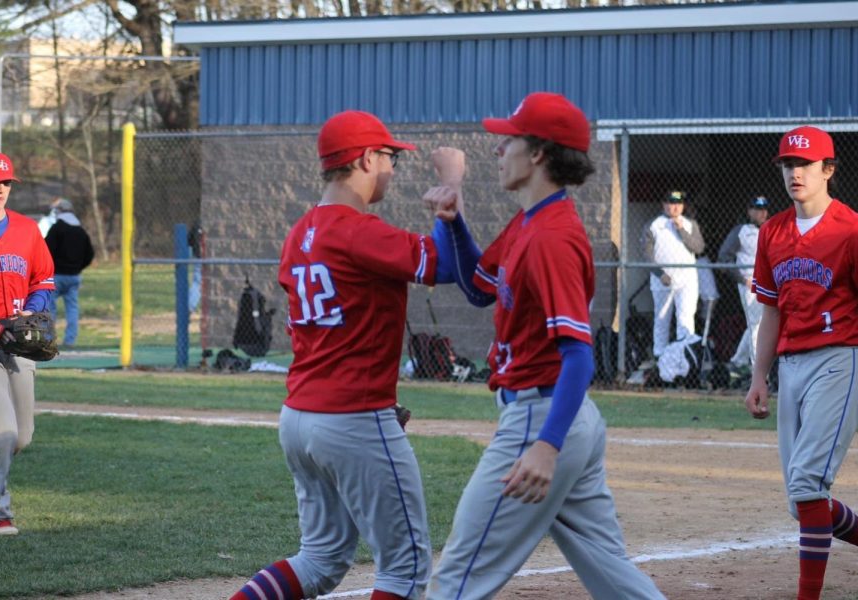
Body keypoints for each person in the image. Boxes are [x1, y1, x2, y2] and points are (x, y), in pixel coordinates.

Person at [424, 92, 665, 599]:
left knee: (457, 580)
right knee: (615, 580)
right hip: (558, 416)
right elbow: (476, 288)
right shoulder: (531, 220)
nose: (497, 150)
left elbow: (579, 355)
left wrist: (546, 445)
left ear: (537, 153)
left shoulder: (552, 236)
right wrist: (454, 218)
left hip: (543, 415)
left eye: (507, 140)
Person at [229, 110, 445, 600]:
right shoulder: (359, 229)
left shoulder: (299, 233)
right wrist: (451, 189)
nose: (392, 167)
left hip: (300, 414)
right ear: (366, 158)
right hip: (352, 416)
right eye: (389, 157)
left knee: (320, 559)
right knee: (405, 570)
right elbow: (442, 263)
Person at [745, 125, 858, 600]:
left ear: (828, 170)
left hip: (840, 359)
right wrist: (758, 376)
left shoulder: (855, 231)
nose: (795, 173)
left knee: (808, 482)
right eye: (789, 164)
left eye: (806, 164)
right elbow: (770, 311)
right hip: (790, 365)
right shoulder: (773, 232)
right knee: (801, 502)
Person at [0, 152, 55, 535]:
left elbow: (44, 280)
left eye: (4, 184)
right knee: (4, 432)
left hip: (19, 344)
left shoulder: (27, 230)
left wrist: (32, 312)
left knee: (22, 436)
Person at [643, 190, 705, 359]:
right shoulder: (654, 225)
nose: (675, 207)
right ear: (664, 205)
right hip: (662, 280)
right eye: (671, 203)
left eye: (678, 203)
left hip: (686, 280)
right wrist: (659, 273)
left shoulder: (690, 224)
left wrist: (682, 230)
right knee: (662, 318)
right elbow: (647, 255)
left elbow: (699, 248)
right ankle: (660, 356)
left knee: (685, 318)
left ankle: (685, 356)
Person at [719, 196, 770, 373]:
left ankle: (738, 360)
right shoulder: (741, 231)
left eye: (764, 209)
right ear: (749, 212)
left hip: (770, 283)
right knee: (757, 325)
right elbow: (724, 258)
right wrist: (743, 279)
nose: (761, 212)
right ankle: (759, 370)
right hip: (750, 283)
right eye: (757, 209)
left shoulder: (772, 229)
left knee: (760, 324)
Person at [45, 197, 95, 348]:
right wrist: (78, 267)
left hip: (57, 275)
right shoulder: (80, 230)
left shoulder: (57, 228)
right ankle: (70, 340)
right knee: (72, 309)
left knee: (50, 308)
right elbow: (90, 254)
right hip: (74, 276)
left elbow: (45, 250)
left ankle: (49, 339)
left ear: (58, 211)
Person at [187, 220, 203, 313]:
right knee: (198, 282)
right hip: (201, 257)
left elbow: (189, 241)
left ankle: (190, 305)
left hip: (199, 257)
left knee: (197, 283)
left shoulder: (197, 223)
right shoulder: (198, 224)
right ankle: (190, 305)